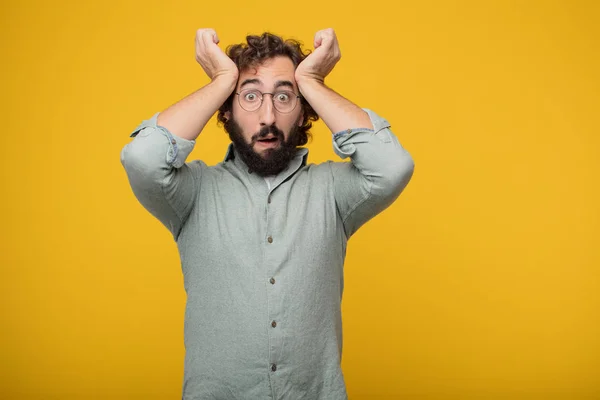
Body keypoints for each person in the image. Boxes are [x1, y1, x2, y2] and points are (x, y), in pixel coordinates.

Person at [121, 27, 414, 400]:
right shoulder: (191, 193)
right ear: (225, 110)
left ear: (305, 110)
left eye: (284, 96)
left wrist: (313, 81)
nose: (268, 115)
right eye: (250, 96)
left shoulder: (334, 192)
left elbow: (392, 166)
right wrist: (221, 81)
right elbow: (141, 158)